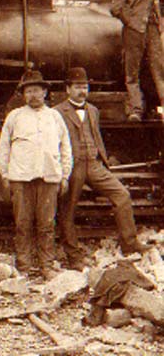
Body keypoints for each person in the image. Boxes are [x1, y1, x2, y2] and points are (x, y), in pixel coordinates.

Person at [55, 67, 149, 269]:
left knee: (122, 195)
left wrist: (103, 159)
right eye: (78, 87)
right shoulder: (57, 112)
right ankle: (74, 256)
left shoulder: (93, 110)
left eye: (85, 86)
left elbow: (96, 136)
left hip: (94, 163)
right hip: (72, 165)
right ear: (68, 89)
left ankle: (130, 245)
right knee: (67, 210)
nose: (82, 91)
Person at [0, 70, 72, 279]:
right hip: (21, 178)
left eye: (37, 91)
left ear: (45, 92)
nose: (33, 95)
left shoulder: (55, 117)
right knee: (23, 224)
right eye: (28, 91)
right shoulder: (15, 116)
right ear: (23, 94)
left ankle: (47, 265)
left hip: (48, 178)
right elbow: (3, 147)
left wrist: (65, 175)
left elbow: (65, 146)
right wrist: (4, 174)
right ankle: (24, 266)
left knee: (47, 224)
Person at [111, 0, 164, 121]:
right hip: (134, 31)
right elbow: (116, 7)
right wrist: (131, 22)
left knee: (159, 69)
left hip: (153, 30)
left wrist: (160, 23)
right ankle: (135, 110)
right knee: (132, 71)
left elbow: (157, 3)